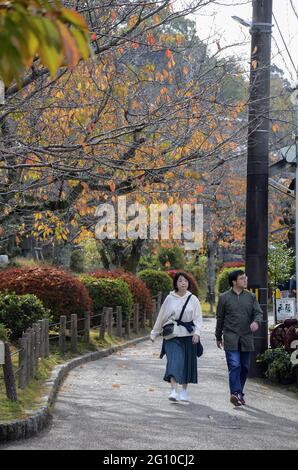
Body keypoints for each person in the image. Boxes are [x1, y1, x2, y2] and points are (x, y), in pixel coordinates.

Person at [150, 272, 203, 402]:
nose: (183, 283)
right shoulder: (170, 298)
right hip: (173, 335)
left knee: (187, 363)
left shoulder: (193, 299)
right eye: (180, 281)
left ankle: (184, 390)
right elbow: (161, 316)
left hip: (189, 336)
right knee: (174, 361)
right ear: (176, 284)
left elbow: (198, 318)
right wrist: (154, 332)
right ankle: (173, 390)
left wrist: (197, 333)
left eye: (185, 281)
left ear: (188, 283)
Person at [215, 269, 263, 406]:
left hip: (246, 338)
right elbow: (220, 318)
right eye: (242, 278)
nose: (245, 280)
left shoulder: (251, 297)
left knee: (245, 367)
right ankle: (235, 393)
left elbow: (258, 313)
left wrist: (255, 322)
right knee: (235, 365)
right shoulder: (224, 297)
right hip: (230, 337)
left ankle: (239, 394)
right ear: (234, 281)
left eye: (245, 278)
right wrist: (218, 336)